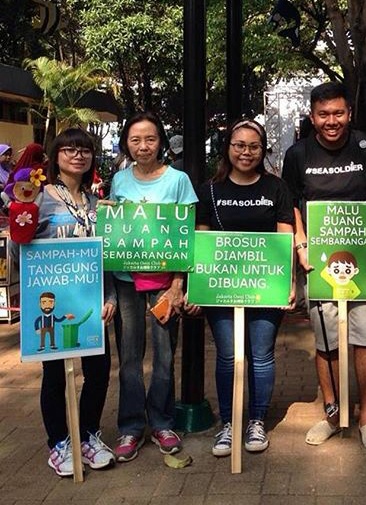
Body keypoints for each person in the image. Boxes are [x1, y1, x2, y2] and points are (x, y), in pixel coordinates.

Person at [282, 81, 366, 450]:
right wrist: (301, 244)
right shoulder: (297, 155)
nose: (332, 121)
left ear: (349, 114)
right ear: (313, 117)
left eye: (338, 113)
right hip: (320, 263)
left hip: (365, 262)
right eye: (324, 114)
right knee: (326, 341)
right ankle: (332, 414)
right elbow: (291, 203)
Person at [18, 128, 117, 476]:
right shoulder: (37, 197)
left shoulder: (97, 203)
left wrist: (110, 297)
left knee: (99, 371)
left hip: (92, 301)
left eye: (85, 150)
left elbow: (106, 256)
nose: (78, 155)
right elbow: (21, 251)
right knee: (55, 375)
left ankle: (88, 435)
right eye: (69, 149)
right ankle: (59, 442)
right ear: (55, 155)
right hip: (51, 301)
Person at [195, 118, 295, 456]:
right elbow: (202, 238)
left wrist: (290, 283)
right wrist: (198, 287)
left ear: (262, 150)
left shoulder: (277, 189)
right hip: (220, 287)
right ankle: (228, 422)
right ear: (228, 147)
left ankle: (256, 421)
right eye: (239, 145)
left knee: (262, 355)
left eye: (253, 146)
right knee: (228, 355)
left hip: (266, 285)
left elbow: (286, 235)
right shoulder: (210, 190)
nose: (246, 152)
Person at [109, 111, 198, 462]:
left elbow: (185, 236)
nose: (143, 146)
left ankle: (162, 422)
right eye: (135, 140)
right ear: (126, 144)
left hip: (164, 282)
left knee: (164, 355)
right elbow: (116, 227)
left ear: (161, 141)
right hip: (127, 279)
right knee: (129, 356)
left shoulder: (178, 180)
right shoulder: (119, 181)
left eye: (149, 139)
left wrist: (178, 284)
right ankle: (131, 427)